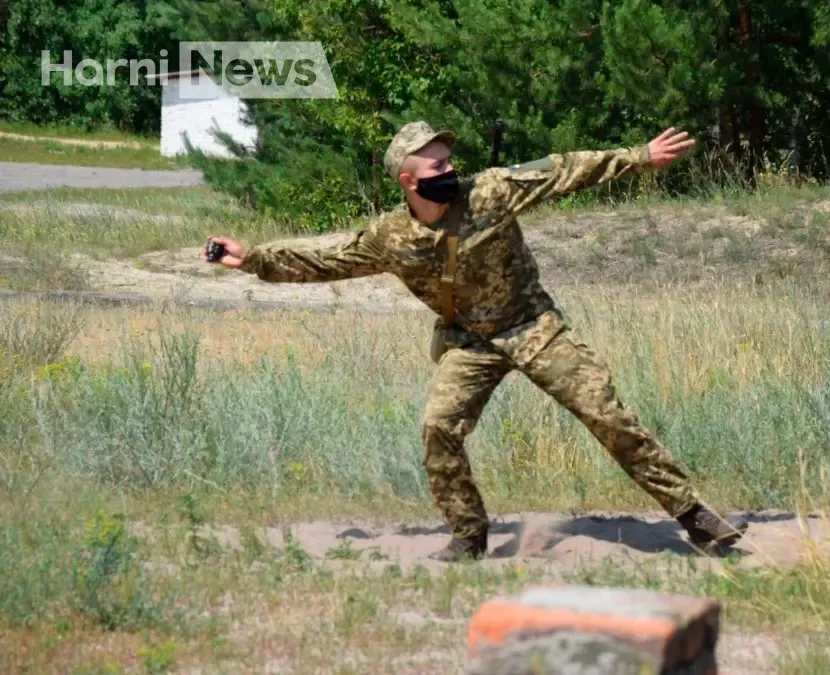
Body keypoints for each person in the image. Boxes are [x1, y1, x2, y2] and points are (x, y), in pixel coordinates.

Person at [204, 121, 749, 561]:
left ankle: (692, 515)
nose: (450, 170)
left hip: (531, 324)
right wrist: (250, 258)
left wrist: (637, 156)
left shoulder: (491, 190)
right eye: (437, 165)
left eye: (448, 160)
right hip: (469, 341)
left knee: (604, 413)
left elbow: (563, 169)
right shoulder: (390, 237)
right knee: (438, 426)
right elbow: (326, 259)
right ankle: (469, 536)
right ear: (408, 181)